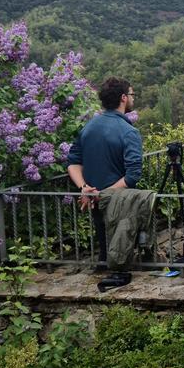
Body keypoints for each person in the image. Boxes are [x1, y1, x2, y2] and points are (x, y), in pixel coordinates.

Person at [66, 77, 143, 265]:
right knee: (122, 251)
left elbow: (73, 162)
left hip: (94, 201)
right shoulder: (128, 131)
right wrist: (105, 194)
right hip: (119, 202)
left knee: (103, 246)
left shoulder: (89, 127)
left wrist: (85, 189)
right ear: (124, 98)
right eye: (132, 95)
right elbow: (133, 175)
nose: (133, 99)